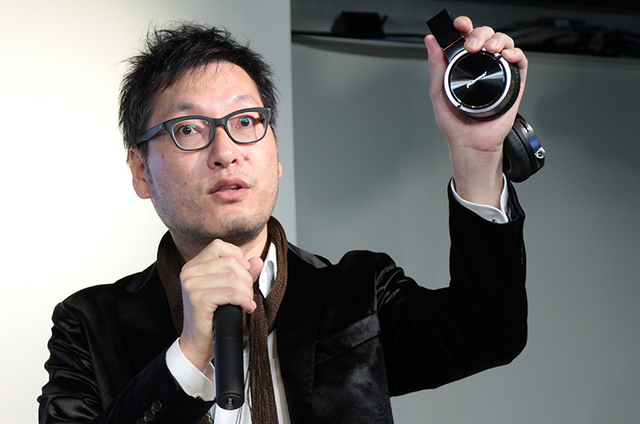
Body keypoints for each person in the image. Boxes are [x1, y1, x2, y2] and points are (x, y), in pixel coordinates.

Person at [39, 14, 529, 424]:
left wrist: (476, 155)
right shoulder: (90, 325)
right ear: (140, 170)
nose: (226, 151)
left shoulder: (356, 294)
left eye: (245, 121)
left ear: (275, 155)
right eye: (189, 128)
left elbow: (488, 333)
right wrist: (186, 357)